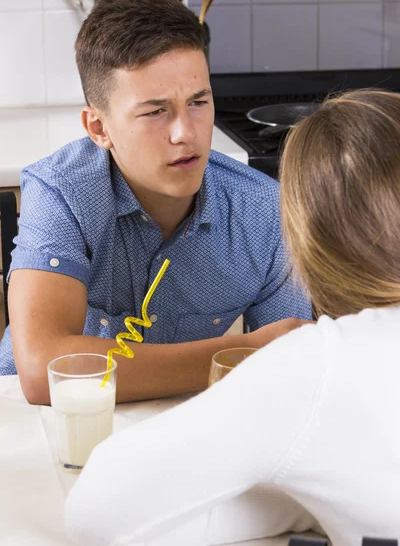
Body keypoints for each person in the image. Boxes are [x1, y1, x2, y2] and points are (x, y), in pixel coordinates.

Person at [65, 89, 400, 546]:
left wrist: (299, 495)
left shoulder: (319, 364)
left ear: (308, 239)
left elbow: (95, 509)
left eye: (199, 102)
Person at [0, 0, 311, 403]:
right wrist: (245, 355)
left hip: (177, 428)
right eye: (155, 112)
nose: (186, 133)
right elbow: (44, 372)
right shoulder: (62, 191)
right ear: (98, 128)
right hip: (30, 423)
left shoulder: (266, 212)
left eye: (198, 102)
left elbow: (293, 371)